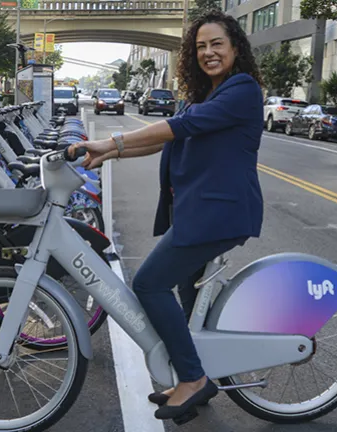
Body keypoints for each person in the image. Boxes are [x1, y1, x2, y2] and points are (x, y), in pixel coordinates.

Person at [67, 10, 264, 422]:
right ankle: (198, 378)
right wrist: (107, 151)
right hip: (197, 211)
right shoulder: (203, 96)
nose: (208, 52)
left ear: (235, 48)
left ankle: (192, 378)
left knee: (150, 284)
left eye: (217, 44)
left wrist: (112, 140)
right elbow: (161, 142)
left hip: (218, 213)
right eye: (200, 46)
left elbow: (177, 128)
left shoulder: (241, 89)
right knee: (190, 301)